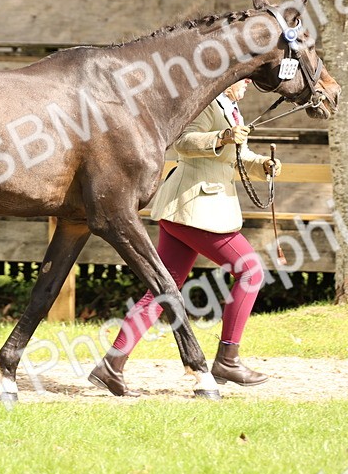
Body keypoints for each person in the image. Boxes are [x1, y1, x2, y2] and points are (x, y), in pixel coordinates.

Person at [89, 77, 279, 397]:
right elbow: (184, 142)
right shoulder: (205, 103)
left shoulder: (231, 108)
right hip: (196, 207)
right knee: (251, 271)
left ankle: (111, 364)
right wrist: (222, 136)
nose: (247, 83)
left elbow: (237, 157)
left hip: (188, 210)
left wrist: (263, 165)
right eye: (243, 79)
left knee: (164, 289)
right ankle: (228, 359)